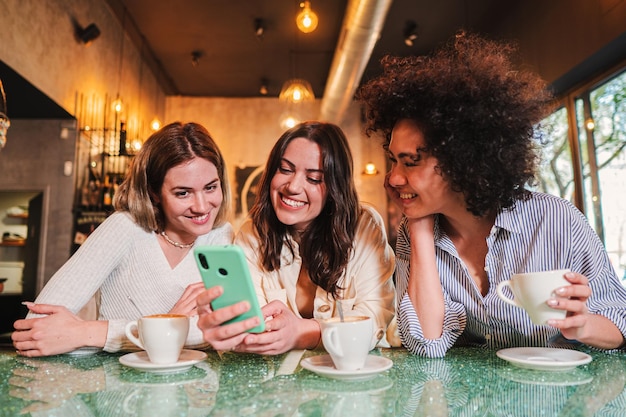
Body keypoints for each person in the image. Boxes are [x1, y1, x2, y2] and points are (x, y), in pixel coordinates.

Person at [356, 31, 626, 357]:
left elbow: (620, 321)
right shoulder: (412, 235)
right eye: (393, 160)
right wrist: (419, 228)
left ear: (463, 161)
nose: (394, 178)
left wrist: (583, 326)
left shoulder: (557, 220)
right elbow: (426, 342)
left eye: (411, 162)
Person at [12, 122, 234, 357]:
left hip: (195, 388)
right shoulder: (125, 228)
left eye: (210, 187)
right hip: (120, 390)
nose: (201, 207)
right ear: (154, 193)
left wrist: (89, 332)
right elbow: (37, 330)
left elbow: (227, 331)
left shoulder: (220, 236)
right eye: (183, 193)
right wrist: (173, 325)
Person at [196, 121, 396, 354]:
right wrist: (231, 326)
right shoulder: (252, 234)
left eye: (314, 179)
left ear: (335, 188)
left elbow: (374, 320)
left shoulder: (363, 226)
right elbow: (254, 326)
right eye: (285, 169)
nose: (292, 186)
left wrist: (302, 332)